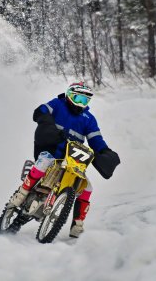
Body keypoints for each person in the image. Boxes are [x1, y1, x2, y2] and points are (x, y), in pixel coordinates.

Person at [9, 81, 120, 238]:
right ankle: (22, 193)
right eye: (77, 98)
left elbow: (96, 139)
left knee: (87, 188)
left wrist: (104, 152)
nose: (80, 103)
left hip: (73, 159)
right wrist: (46, 121)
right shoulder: (58, 104)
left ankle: (77, 224)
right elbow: (41, 110)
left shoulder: (88, 118)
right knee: (45, 161)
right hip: (50, 148)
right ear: (69, 95)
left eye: (85, 100)